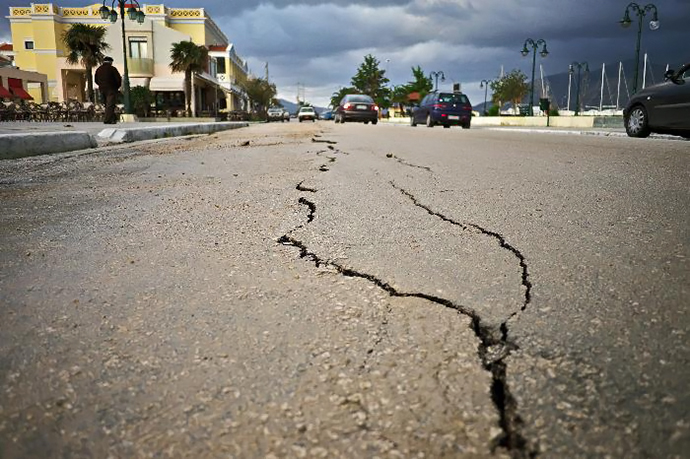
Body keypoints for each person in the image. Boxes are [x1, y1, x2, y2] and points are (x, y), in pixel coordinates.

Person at [94, 56, 122, 124]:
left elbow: (96, 80)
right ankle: (107, 119)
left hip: (102, 89)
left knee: (107, 104)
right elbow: (118, 79)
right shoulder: (112, 69)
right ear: (110, 62)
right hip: (111, 89)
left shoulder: (99, 69)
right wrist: (116, 87)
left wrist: (101, 85)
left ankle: (112, 118)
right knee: (110, 104)